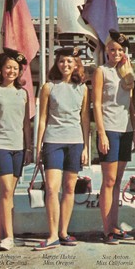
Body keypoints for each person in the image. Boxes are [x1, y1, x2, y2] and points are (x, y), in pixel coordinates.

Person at [34, 47, 90, 251]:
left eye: (69, 61)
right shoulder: (48, 87)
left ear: (76, 64)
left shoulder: (83, 89)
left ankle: (63, 232)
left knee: (69, 189)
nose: (65, 65)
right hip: (53, 141)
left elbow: (85, 119)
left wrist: (85, 148)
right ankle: (52, 235)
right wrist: (38, 145)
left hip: (75, 142)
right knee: (51, 188)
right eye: (61, 61)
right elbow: (42, 119)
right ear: (56, 64)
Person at [0, 48, 33, 251]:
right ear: (0, 69)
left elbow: (26, 124)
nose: (11, 71)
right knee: (7, 191)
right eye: (8, 67)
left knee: (8, 194)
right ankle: (9, 237)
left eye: (15, 68)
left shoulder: (23, 93)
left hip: (18, 147)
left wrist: (28, 148)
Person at [92, 29, 135, 245]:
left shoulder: (127, 72)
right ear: (106, 51)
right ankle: (107, 228)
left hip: (126, 129)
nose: (116, 53)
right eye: (112, 49)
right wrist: (101, 133)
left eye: (120, 49)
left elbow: (130, 105)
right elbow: (97, 104)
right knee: (108, 180)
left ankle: (115, 225)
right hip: (109, 129)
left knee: (118, 181)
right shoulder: (101, 71)